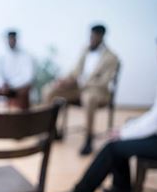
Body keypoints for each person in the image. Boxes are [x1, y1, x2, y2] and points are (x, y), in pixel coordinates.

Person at [54, 35, 157, 192]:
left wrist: (124, 132)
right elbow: (156, 114)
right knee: (122, 133)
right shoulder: (84, 52)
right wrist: (127, 129)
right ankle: (122, 187)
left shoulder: (111, 57)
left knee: (112, 146)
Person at [42, 25, 119, 155]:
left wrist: (83, 83)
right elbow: (75, 70)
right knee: (49, 91)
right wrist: (64, 80)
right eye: (90, 36)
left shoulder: (111, 57)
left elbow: (104, 82)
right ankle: (52, 131)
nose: (91, 39)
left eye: (94, 36)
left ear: (101, 36)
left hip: (97, 91)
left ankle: (89, 139)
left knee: (88, 98)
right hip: (78, 89)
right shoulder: (85, 50)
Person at [0, 31, 34, 110]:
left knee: (25, 90)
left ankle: (24, 117)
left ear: (16, 40)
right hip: (4, 87)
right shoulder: (1, 55)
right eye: (10, 39)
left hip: (19, 87)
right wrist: (3, 83)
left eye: (13, 39)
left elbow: (27, 77)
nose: (11, 41)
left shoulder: (25, 55)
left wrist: (12, 85)